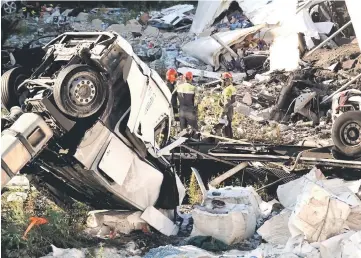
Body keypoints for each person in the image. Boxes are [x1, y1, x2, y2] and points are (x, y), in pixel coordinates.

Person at [219, 72, 236, 138]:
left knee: (225, 126)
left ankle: (227, 142)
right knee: (229, 125)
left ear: (225, 80)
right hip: (230, 109)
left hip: (227, 110)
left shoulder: (227, 90)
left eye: (222, 81)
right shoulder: (232, 87)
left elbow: (227, 103)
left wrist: (222, 113)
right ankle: (230, 139)